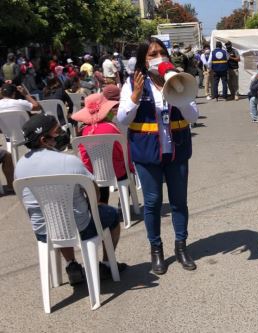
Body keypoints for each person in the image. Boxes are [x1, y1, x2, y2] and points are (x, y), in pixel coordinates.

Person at [117, 37, 199, 275]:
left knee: (179, 201)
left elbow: (193, 117)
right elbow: (122, 120)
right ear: (143, 60)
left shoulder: (179, 78)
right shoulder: (132, 83)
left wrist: (178, 92)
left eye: (161, 52)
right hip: (146, 152)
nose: (158, 58)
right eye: (152, 54)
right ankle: (156, 249)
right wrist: (135, 96)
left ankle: (181, 247)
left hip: (177, 149)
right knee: (152, 203)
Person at [14, 114, 127, 285]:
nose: (62, 133)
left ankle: (71, 264)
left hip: (45, 232)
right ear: (44, 140)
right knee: (110, 214)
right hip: (81, 228)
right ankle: (106, 264)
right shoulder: (69, 161)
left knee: (56, 218)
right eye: (58, 131)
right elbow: (93, 194)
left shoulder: (20, 166)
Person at [71, 86, 133, 204]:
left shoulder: (84, 132)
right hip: (117, 172)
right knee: (127, 177)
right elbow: (123, 152)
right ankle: (123, 205)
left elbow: (84, 157)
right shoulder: (112, 128)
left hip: (95, 173)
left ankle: (102, 206)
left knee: (101, 179)